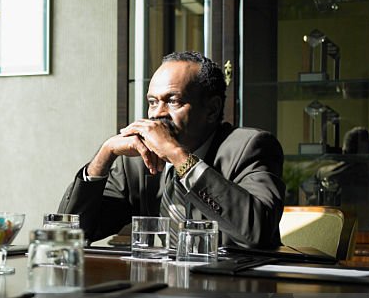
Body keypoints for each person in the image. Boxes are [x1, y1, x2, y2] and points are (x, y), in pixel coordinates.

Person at [58, 51, 285, 248]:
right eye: (153, 102)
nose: (157, 114)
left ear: (212, 110)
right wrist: (103, 156)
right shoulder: (137, 160)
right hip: (165, 289)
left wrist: (177, 156)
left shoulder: (251, 146)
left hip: (239, 290)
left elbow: (258, 232)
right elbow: (69, 234)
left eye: (173, 101)